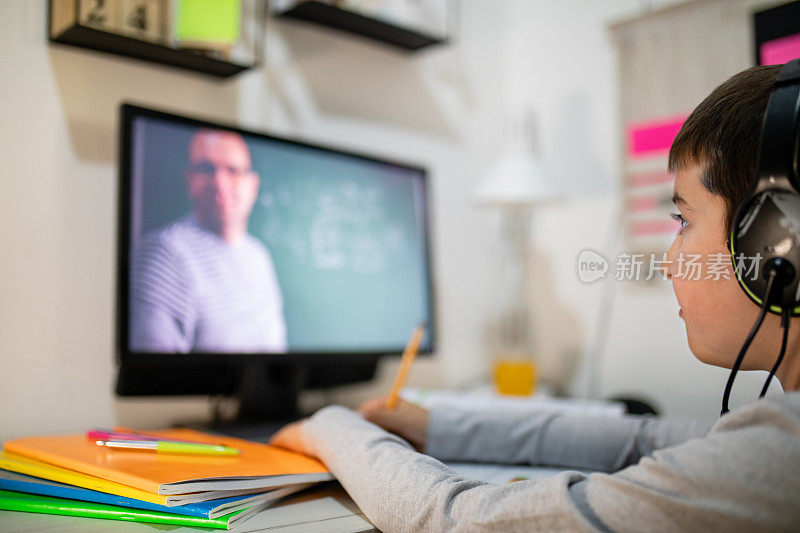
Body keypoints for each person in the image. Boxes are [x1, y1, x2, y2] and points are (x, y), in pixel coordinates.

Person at [270, 64, 800, 531]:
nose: (667, 260)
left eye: (683, 221)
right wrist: (436, 426)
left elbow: (457, 520)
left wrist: (334, 428)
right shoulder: (773, 437)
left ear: (777, 240)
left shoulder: (783, 453)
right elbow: (641, 440)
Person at [130, 129, 287, 354]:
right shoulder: (164, 255)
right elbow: (154, 375)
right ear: (189, 181)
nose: (220, 184)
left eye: (233, 170)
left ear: (253, 185)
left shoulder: (258, 256)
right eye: (206, 169)